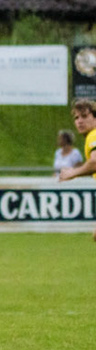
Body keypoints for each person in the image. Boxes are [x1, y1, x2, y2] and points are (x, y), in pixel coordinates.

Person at [54, 100, 96, 243]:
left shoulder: (93, 135)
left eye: (84, 116)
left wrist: (73, 173)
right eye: (76, 118)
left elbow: (95, 162)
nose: (79, 121)